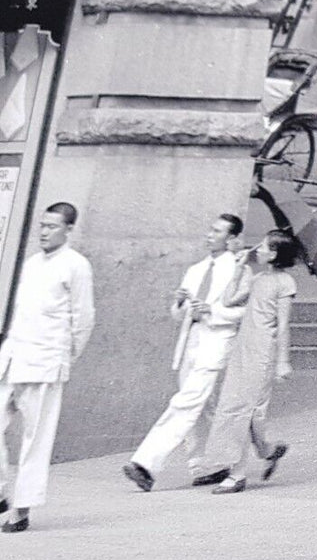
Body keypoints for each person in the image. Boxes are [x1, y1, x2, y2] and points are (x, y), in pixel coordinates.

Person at [122, 214, 247, 492]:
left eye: (217, 231)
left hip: (216, 343)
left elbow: (244, 311)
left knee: (186, 403)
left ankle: (145, 463)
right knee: (204, 409)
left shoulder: (238, 270)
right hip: (190, 343)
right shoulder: (195, 269)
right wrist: (179, 304)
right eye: (210, 229)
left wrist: (213, 312)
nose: (210, 235)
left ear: (231, 238)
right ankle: (209, 466)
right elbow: (180, 316)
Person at [0, 202, 95, 533]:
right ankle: (1, 490)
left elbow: (83, 319)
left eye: (52, 226)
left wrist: (64, 357)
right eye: (42, 225)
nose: (43, 232)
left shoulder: (76, 266)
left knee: (34, 439)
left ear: (68, 229)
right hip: (11, 357)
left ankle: (21, 509)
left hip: (45, 362)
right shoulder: (29, 263)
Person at [194, 230, 300, 494]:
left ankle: (237, 474)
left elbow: (284, 324)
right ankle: (268, 450)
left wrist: (282, 361)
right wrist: (239, 268)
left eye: (264, 246)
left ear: (275, 254)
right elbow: (229, 299)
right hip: (243, 347)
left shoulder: (285, 283)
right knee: (239, 407)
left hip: (264, 351)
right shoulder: (257, 277)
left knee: (242, 410)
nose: (258, 249)